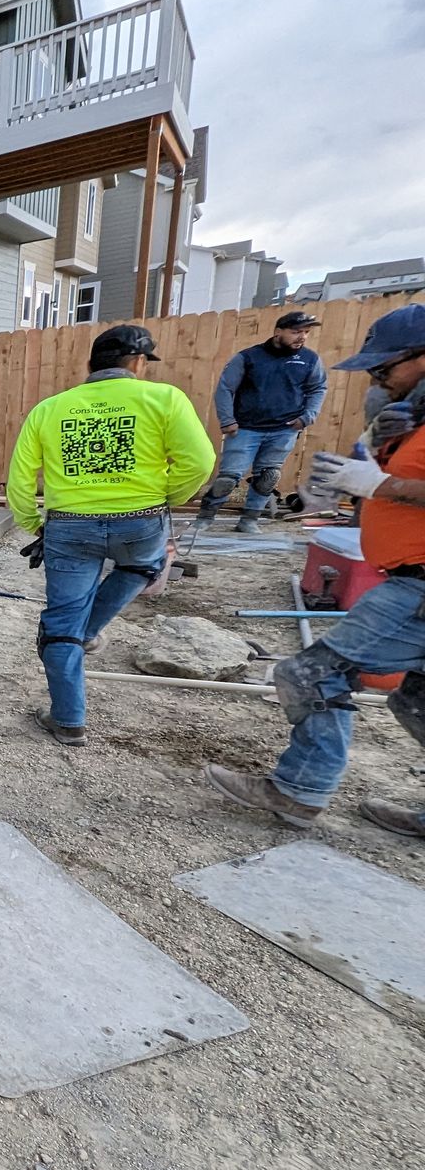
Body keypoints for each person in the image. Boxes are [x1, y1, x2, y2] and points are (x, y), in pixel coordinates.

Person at [204, 303, 425, 837]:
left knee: (309, 673)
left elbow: (396, 489)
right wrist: (348, 485)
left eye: (385, 367)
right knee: (416, 700)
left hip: (420, 586)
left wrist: (380, 486)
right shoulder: (406, 420)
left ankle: (298, 791)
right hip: (408, 576)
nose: (377, 378)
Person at [7, 324, 217, 746]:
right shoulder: (164, 399)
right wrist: (164, 497)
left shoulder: (51, 409)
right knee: (143, 566)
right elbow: (199, 461)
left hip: (69, 525)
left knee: (61, 624)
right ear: (139, 363)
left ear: (90, 365)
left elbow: (19, 480)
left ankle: (68, 720)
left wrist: (34, 525)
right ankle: (88, 630)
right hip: (140, 520)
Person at [197, 311, 329, 532]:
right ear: (278, 332)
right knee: (228, 478)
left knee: (268, 476)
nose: (302, 337)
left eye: (306, 332)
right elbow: (226, 388)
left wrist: (308, 416)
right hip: (245, 429)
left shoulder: (310, 360)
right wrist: (227, 419)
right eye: (296, 332)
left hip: (284, 429)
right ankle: (205, 517)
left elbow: (317, 388)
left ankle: (249, 520)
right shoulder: (248, 357)